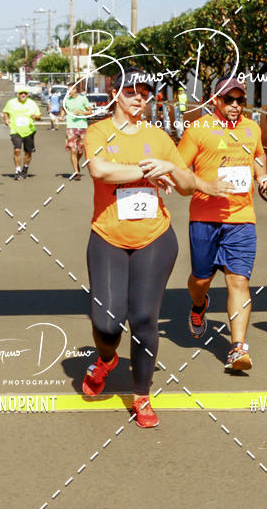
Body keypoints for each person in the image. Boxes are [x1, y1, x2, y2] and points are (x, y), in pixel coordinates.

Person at [82, 69, 196, 428]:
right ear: (116, 92)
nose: (139, 98)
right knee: (107, 323)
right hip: (108, 237)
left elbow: (187, 185)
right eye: (132, 91)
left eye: (145, 92)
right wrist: (148, 172)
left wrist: (169, 168)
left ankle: (142, 395)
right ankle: (106, 360)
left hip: (155, 238)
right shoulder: (99, 131)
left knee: (145, 319)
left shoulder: (159, 137)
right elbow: (100, 171)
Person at [178, 75, 267, 372]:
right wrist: (204, 185)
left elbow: (258, 159)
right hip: (205, 218)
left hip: (241, 219)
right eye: (228, 99)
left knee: (238, 281)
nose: (235, 105)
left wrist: (264, 179)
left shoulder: (251, 128)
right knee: (201, 280)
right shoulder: (198, 130)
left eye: (240, 100)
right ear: (216, 100)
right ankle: (199, 306)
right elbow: (180, 172)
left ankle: (237, 348)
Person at [2, 85, 42, 180]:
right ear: (18, 95)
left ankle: (25, 168)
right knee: (17, 150)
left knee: (28, 152)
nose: (23, 95)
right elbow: (5, 112)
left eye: (25, 93)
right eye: (21, 93)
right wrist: (6, 119)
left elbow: (39, 116)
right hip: (15, 130)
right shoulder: (11, 103)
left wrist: (35, 117)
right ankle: (17, 170)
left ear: (27, 95)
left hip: (29, 131)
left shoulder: (32, 103)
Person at [63, 82, 92, 180]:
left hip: (82, 126)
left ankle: (76, 163)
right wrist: (62, 115)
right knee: (73, 150)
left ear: (75, 90)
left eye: (71, 89)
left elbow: (90, 111)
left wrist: (80, 112)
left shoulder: (83, 99)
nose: (69, 92)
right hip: (71, 126)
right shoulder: (66, 100)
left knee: (80, 151)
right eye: (68, 89)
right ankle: (76, 172)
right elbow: (63, 108)